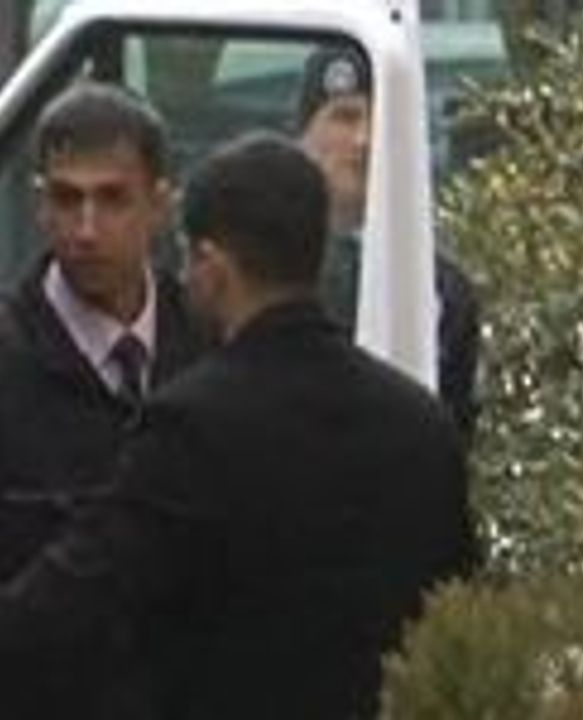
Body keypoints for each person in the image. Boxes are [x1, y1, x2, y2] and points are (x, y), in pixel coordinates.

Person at [0, 131, 478, 719]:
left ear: (212, 265)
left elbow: (76, 599)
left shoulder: (192, 427)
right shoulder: (420, 425)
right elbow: (459, 614)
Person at [0, 81, 208, 717]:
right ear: (40, 205)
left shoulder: (206, 343)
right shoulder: (10, 357)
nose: (86, 230)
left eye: (112, 199)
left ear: (160, 205)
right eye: (67, 199)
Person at [297, 44, 481, 444]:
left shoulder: (440, 289)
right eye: (344, 117)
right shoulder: (264, 267)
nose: (364, 139)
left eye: (381, 119)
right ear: (303, 135)